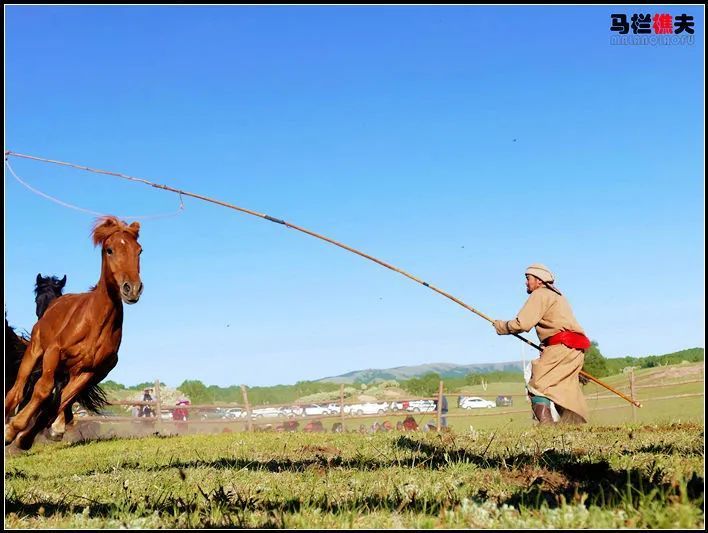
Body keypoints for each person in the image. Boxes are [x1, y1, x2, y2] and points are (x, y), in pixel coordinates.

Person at [493, 264, 590, 425]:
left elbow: (522, 324)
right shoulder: (558, 296)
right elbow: (560, 325)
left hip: (561, 347)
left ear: (538, 280)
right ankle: (575, 429)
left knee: (537, 385)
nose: (526, 283)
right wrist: (549, 344)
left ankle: (547, 429)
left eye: (528, 279)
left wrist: (501, 326)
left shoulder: (540, 294)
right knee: (564, 391)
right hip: (574, 349)